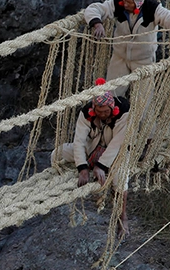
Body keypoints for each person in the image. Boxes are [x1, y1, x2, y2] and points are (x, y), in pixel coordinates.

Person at [52, 78, 131, 237]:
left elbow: (117, 143)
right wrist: (82, 168)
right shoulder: (86, 112)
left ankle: (122, 216)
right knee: (57, 154)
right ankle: (64, 179)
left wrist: (101, 166)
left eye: (105, 112)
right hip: (93, 147)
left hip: (116, 152)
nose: (102, 115)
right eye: (99, 112)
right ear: (94, 108)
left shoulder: (124, 111)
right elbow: (79, 141)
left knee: (119, 179)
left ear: (112, 108)